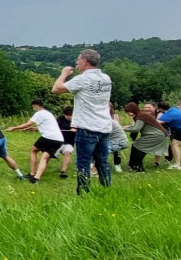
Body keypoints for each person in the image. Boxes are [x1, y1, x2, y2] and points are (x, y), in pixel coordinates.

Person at [52, 49, 115, 195]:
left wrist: (64, 74)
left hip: (87, 127)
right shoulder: (106, 78)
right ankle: (108, 189)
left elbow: (56, 89)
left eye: (78, 60)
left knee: (83, 163)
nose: (77, 62)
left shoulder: (83, 79)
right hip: (104, 126)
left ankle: (84, 194)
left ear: (85, 61)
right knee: (102, 162)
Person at [6, 99, 64, 184]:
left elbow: (28, 123)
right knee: (45, 157)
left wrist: (14, 128)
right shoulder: (48, 113)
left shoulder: (39, 113)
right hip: (59, 140)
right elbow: (49, 126)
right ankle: (36, 178)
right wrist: (34, 129)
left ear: (36, 105)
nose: (33, 108)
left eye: (33, 107)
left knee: (33, 150)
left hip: (48, 137)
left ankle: (32, 173)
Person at [123, 103, 170, 171]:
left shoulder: (141, 115)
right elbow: (137, 126)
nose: (129, 114)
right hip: (157, 134)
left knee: (138, 147)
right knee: (136, 146)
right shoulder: (141, 114)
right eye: (127, 112)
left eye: (130, 112)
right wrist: (129, 127)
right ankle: (132, 165)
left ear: (134, 110)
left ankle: (138, 168)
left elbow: (136, 129)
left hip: (156, 135)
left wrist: (122, 129)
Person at [107, 102, 130, 173]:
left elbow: (117, 125)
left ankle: (117, 165)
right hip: (107, 135)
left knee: (116, 150)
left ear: (111, 108)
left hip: (115, 137)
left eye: (108, 107)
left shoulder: (115, 116)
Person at [54, 107, 76, 179]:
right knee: (48, 155)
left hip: (69, 143)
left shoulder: (77, 121)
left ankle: (63, 171)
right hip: (58, 142)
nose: (69, 117)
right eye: (68, 115)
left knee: (68, 152)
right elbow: (54, 127)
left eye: (71, 115)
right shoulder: (60, 119)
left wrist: (76, 130)